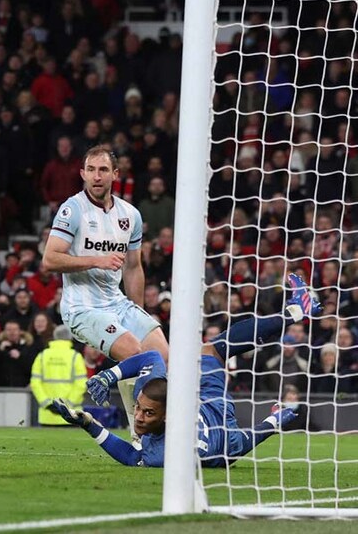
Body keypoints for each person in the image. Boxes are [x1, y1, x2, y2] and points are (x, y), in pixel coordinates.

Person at [51, 274, 319, 467]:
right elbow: (241, 443)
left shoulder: (162, 455)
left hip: (202, 420)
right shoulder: (193, 446)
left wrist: (90, 423)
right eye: (140, 409)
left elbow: (133, 456)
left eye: (147, 412)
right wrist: (273, 423)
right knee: (211, 350)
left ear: (169, 416)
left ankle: (296, 312)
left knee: (209, 349)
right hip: (216, 411)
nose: (139, 417)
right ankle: (295, 312)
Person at [42, 144, 168, 431]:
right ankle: (140, 434)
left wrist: (137, 312)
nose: (96, 176)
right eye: (91, 170)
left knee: (162, 357)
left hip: (118, 304)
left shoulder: (130, 215)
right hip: (82, 307)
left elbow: (133, 267)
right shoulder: (72, 210)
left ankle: (156, 431)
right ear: (82, 174)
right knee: (135, 353)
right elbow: (50, 259)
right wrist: (96, 260)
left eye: (103, 170)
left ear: (115, 174)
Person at [29, 325, 86, 426]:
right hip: (72, 414)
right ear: (70, 337)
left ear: (54, 336)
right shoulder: (75, 356)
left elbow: (35, 383)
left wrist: (47, 404)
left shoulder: (42, 356)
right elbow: (81, 384)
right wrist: (67, 405)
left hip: (47, 415)